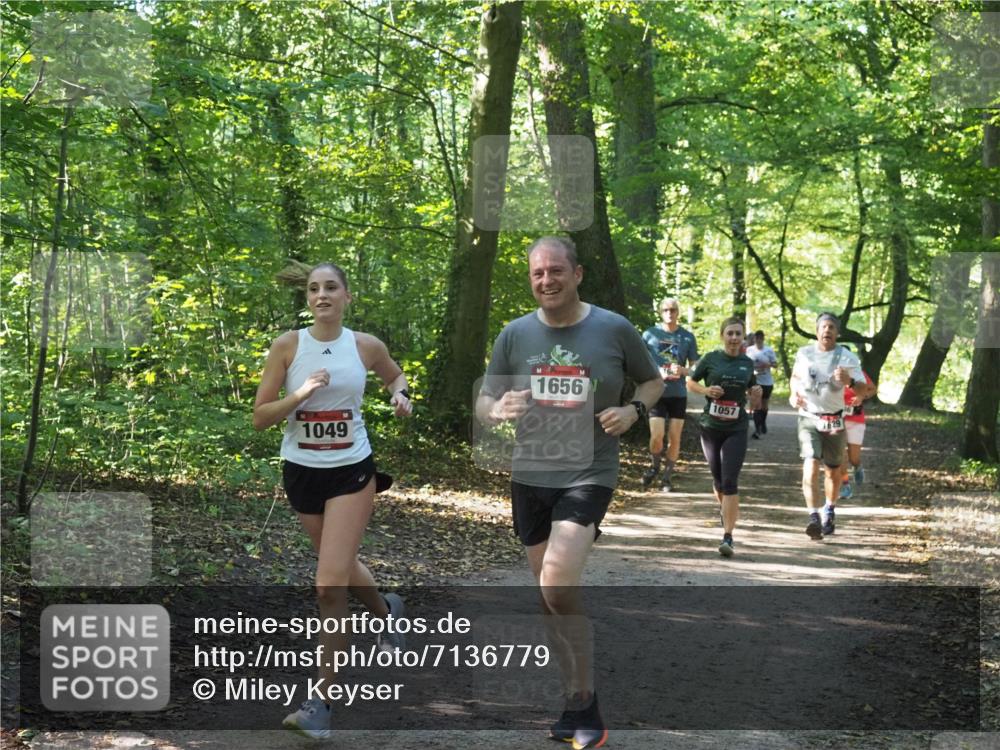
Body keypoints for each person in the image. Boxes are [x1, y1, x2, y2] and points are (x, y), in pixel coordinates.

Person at [476, 236, 661, 750]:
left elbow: (651, 382)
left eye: (556, 270)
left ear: (577, 274)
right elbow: (486, 399)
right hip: (529, 476)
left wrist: (632, 411)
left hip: (589, 471)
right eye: (538, 273)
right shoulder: (514, 335)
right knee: (547, 597)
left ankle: (588, 707)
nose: (546, 280)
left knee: (557, 582)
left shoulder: (613, 328)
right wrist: (496, 409)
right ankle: (573, 699)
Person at [253, 261, 413, 739]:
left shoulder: (365, 345)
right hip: (302, 473)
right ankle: (388, 612)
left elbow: (395, 376)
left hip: (351, 471)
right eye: (313, 289)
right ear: (307, 298)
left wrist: (402, 397)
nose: (321, 295)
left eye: (330, 288)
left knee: (328, 586)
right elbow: (260, 417)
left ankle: (320, 705)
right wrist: (300, 393)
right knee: (336, 565)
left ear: (347, 295)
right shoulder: (288, 345)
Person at [789, 313, 871, 539]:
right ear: (817, 331)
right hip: (809, 417)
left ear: (837, 333)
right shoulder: (804, 354)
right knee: (811, 461)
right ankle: (813, 516)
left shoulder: (847, 357)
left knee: (833, 470)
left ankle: (829, 510)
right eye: (824, 327)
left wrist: (850, 382)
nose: (827, 331)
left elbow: (864, 390)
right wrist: (792, 396)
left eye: (832, 328)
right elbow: (795, 378)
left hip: (834, 420)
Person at [686, 317, 762, 557]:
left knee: (730, 482)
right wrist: (707, 391)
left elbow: (753, 394)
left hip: (736, 428)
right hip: (710, 427)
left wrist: (756, 394)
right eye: (730, 333)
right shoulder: (711, 359)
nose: (734, 338)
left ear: (743, 338)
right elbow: (690, 381)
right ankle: (726, 510)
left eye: (738, 334)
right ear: (723, 336)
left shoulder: (747, 363)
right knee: (718, 482)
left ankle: (728, 536)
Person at [640, 297, 699, 491]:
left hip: (678, 394)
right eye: (665, 310)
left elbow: (695, 367)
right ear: (660, 312)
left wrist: (684, 371)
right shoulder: (650, 334)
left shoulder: (687, 337)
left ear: (678, 312)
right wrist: (656, 372)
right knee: (657, 436)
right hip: (657, 393)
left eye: (673, 310)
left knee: (675, 437)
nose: (669, 313)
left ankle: (667, 477)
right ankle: (654, 467)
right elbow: (639, 360)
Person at [839, 363, 876, 500]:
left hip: (855, 418)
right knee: (839, 454)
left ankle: (858, 466)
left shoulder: (858, 374)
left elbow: (872, 389)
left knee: (853, 457)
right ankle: (845, 485)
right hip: (836, 418)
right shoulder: (829, 373)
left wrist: (861, 397)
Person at [745, 330, 778, 439]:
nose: (758, 340)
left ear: (763, 338)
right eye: (756, 338)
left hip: (767, 382)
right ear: (754, 339)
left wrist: (768, 365)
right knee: (756, 405)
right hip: (755, 381)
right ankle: (757, 429)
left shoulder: (769, 350)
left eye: (760, 338)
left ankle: (762, 423)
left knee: (764, 406)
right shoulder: (749, 350)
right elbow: (744, 362)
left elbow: (775, 364)